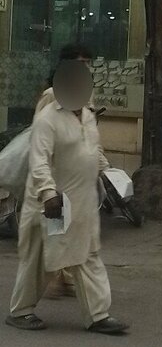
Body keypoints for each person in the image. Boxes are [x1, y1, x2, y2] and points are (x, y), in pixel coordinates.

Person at [6, 60, 128, 335]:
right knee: (39, 259)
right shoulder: (47, 120)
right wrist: (48, 193)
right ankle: (20, 311)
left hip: (83, 205)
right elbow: (39, 162)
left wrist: (109, 174)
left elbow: (93, 150)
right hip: (54, 206)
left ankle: (98, 315)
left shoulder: (86, 115)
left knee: (88, 255)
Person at [38, 44, 94, 300]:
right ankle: (53, 279)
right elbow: (40, 137)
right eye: (80, 63)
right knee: (58, 228)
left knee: (76, 229)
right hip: (57, 175)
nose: (86, 68)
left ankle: (69, 278)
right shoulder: (52, 95)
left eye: (87, 63)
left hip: (78, 176)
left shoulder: (85, 94)